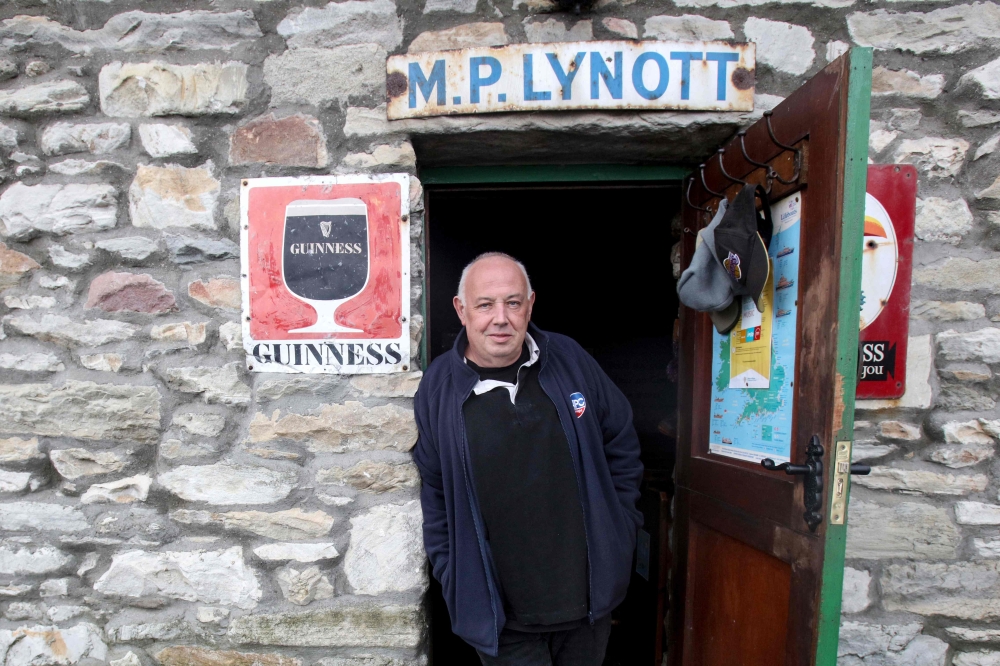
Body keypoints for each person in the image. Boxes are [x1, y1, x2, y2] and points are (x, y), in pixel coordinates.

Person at [413, 252, 644, 665]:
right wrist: (454, 575)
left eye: (513, 302)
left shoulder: (570, 360)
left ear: (530, 305)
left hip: (586, 606)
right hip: (502, 618)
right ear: (461, 310)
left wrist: (620, 531)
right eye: (485, 305)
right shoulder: (438, 390)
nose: (500, 318)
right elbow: (435, 495)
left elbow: (621, 445)